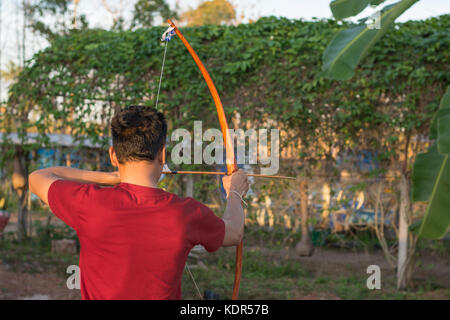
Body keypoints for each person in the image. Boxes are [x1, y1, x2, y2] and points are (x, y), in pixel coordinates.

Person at [29, 105, 248, 300]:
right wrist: (235, 191)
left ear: (113, 155)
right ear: (162, 154)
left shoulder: (90, 202)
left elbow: (38, 177)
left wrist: (107, 177)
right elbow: (234, 232)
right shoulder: (185, 212)